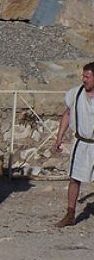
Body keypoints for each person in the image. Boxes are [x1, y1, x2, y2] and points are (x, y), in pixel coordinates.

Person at [54, 62, 94, 227]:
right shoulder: (75, 93)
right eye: (83, 76)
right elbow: (68, 114)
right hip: (81, 143)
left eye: (87, 77)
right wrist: (59, 137)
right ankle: (70, 215)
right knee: (74, 179)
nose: (84, 79)